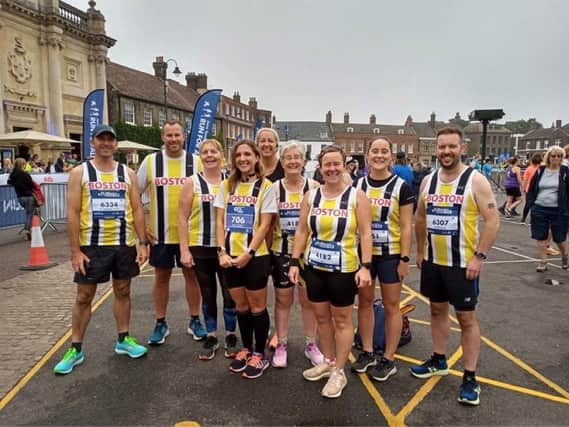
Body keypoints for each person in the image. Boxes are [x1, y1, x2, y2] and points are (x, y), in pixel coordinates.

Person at [411, 127, 500, 406]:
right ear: (436, 149)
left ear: (462, 148)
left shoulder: (476, 180)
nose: (446, 152)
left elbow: (493, 220)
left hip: (462, 264)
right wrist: (421, 250)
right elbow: (421, 218)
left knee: (466, 319)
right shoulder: (428, 181)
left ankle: (470, 376)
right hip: (434, 262)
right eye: (442, 147)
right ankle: (439, 360)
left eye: (452, 147)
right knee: (436, 310)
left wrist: (479, 257)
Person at [53, 124, 149, 375]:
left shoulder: (128, 173)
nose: (106, 144)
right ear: (93, 142)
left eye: (110, 140)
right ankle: (75, 348)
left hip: (123, 244)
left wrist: (143, 242)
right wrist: (75, 251)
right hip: (92, 246)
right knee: (84, 296)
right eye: (101, 139)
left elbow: (137, 209)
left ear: (115, 144)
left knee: (123, 290)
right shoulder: (80, 173)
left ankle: (123, 340)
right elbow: (73, 213)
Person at [289, 145, 372, 399]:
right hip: (314, 266)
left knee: (343, 320)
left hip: (344, 268)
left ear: (345, 165)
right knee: (322, 318)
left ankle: (339, 371)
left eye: (337, 164)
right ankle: (327, 361)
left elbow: (366, 233)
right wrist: (294, 261)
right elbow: (302, 231)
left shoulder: (357, 197)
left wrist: (365, 266)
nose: (332, 169)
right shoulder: (311, 196)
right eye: (327, 164)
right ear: (320, 167)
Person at [137, 119, 207, 346]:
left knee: (192, 277)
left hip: (191, 235)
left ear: (183, 136)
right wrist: (142, 227)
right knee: (161, 278)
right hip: (160, 235)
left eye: (177, 135)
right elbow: (133, 197)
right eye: (169, 135)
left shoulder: (196, 162)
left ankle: (195, 319)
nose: (173, 139)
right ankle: (160, 322)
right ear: (162, 137)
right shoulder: (150, 162)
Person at [351, 138, 414, 383]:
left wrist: (405, 259)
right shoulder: (358, 185)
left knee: (391, 306)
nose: (379, 155)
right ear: (367, 155)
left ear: (391, 156)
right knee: (365, 303)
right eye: (374, 151)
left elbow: (407, 226)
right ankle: (367, 352)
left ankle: (389, 358)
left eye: (384, 151)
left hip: (390, 254)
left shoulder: (402, 187)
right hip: (364, 254)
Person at [214, 139, 277, 379]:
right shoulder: (226, 185)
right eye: (238, 155)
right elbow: (219, 220)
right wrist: (221, 251)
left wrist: (248, 253)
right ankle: (247, 348)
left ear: (256, 157)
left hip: (256, 257)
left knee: (257, 307)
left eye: (247, 155)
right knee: (240, 306)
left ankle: (260, 354)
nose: (243, 159)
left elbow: (265, 224)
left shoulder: (266, 186)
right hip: (229, 257)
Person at [178, 139, 238, 360]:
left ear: (222, 155)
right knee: (208, 293)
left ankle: (231, 334)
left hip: (227, 247)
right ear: (200, 156)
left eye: (214, 151)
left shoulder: (232, 182)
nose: (210, 155)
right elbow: (182, 218)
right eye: (205, 152)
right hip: (200, 246)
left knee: (230, 294)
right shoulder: (191, 182)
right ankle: (211, 335)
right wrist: (184, 250)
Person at [269, 141, 323, 368]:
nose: (292, 161)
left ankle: (311, 344)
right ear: (282, 162)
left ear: (304, 161)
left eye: (296, 157)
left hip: (308, 254)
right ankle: (281, 343)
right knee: (283, 300)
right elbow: (268, 223)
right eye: (288, 157)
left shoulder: (314, 186)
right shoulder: (274, 189)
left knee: (308, 301)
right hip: (281, 251)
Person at [525, 145, 569, 272]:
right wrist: (531, 204)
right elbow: (532, 188)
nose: (556, 158)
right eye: (554, 155)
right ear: (548, 157)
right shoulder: (541, 170)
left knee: (559, 238)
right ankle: (543, 261)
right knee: (541, 236)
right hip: (540, 208)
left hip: (558, 210)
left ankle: (565, 255)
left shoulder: (565, 171)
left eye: (559, 156)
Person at [7, 157, 36, 240]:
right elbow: (32, 185)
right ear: (22, 165)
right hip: (29, 196)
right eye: (24, 164)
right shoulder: (25, 174)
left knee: (28, 213)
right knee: (29, 215)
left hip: (20, 197)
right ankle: (27, 231)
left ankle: (29, 230)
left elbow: (9, 182)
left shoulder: (13, 174)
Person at [521, 153, 542, 223]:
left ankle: (524, 218)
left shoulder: (529, 168)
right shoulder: (541, 168)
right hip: (538, 189)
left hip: (529, 189)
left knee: (528, 205)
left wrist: (523, 189)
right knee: (535, 205)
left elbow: (525, 180)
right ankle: (532, 219)